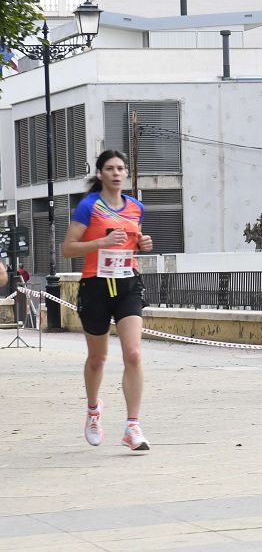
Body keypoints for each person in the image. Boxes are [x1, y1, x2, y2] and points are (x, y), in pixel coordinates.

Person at [62, 150, 153, 451]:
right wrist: (100, 242)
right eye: (110, 168)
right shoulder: (89, 207)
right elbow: (68, 249)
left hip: (128, 284)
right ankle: (92, 411)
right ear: (100, 173)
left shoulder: (136, 207)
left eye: (121, 168)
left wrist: (143, 244)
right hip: (95, 286)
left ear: (126, 174)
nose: (116, 173)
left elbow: (134, 241)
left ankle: (132, 426)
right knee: (98, 359)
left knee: (134, 354)